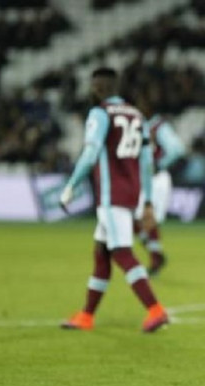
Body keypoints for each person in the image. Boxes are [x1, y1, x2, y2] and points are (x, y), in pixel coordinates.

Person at [58, 67, 169, 333]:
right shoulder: (137, 115)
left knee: (121, 252)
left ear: (97, 88)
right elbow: (146, 162)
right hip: (130, 195)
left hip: (111, 196)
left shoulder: (100, 113)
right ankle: (86, 315)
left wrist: (71, 185)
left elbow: (91, 152)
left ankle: (156, 310)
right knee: (102, 253)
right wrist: (148, 200)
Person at [133, 93, 186, 276]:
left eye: (141, 106)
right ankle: (156, 254)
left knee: (147, 219)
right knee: (135, 219)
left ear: (149, 109)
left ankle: (155, 258)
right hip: (143, 178)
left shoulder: (159, 126)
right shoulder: (140, 126)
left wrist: (159, 164)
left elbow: (178, 149)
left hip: (156, 179)